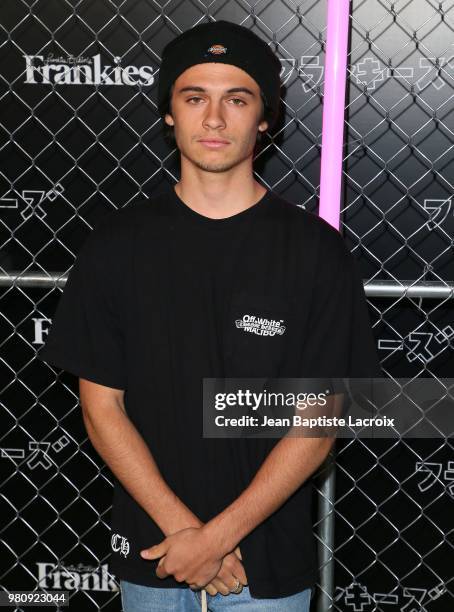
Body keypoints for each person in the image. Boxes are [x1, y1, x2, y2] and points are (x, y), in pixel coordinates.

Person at [38, 19, 381, 612]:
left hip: (267, 568)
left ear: (265, 118)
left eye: (237, 99)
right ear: (170, 112)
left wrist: (217, 539)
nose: (215, 119)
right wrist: (188, 539)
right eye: (195, 97)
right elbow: (101, 408)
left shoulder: (316, 252)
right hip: (154, 556)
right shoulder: (116, 245)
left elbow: (318, 421)